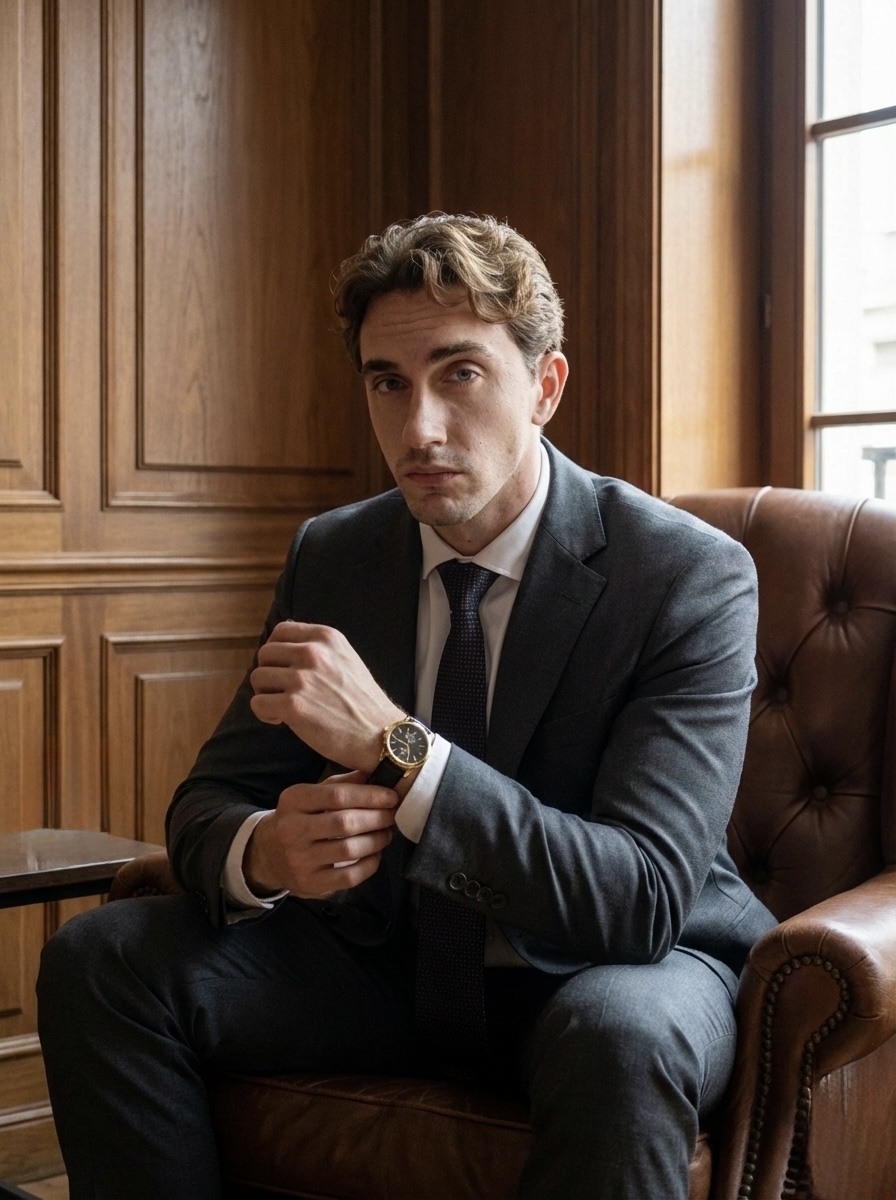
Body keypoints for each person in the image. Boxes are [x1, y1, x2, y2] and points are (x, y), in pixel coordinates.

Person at [37, 213, 775, 1199]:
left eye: (459, 373)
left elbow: (637, 898)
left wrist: (398, 750)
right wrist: (265, 852)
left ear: (545, 386)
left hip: (615, 966)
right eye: (387, 382)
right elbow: (209, 802)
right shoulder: (335, 555)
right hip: (388, 959)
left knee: (619, 1035)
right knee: (100, 958)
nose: (418, 428)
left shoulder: (682, 574)